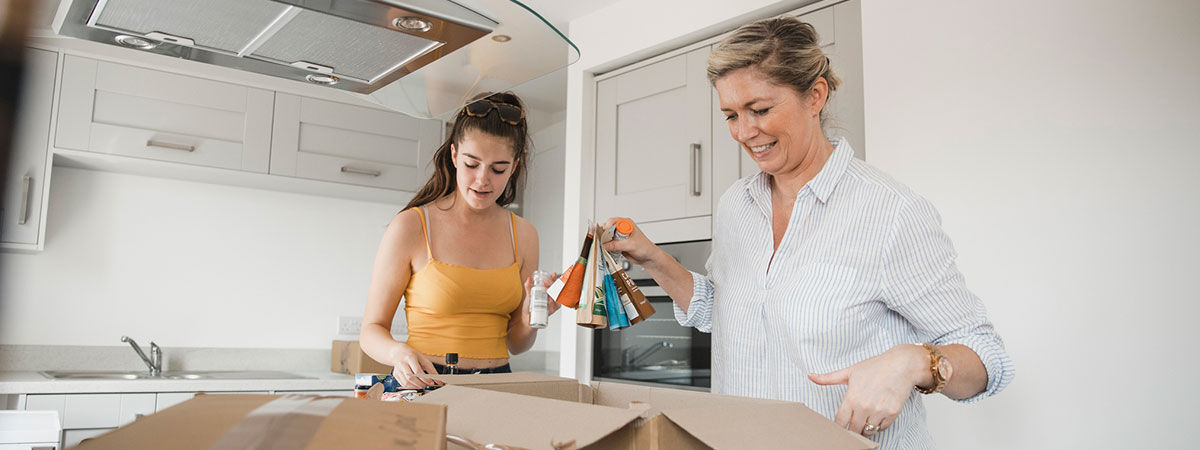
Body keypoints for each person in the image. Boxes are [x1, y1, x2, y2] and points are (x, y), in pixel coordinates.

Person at [602, 16, 1014, 448]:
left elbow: (988, 358)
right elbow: (723, 314)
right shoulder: (735, 207)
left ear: (815, 95)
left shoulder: (890, 212)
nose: (744, 132)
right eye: (730, 115)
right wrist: (653, 258)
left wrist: (915, 362)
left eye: (760, 110)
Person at [360, 92, 559, 388]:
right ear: (454, 155)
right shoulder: (412, 226)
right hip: (425, 382)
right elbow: (371, 330)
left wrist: (531, 317)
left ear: (515, 166)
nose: (482, 179)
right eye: (471, 164)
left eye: (498, 169)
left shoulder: (525, 235)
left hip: (497, 387)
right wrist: (397, 352)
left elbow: (517, 344)